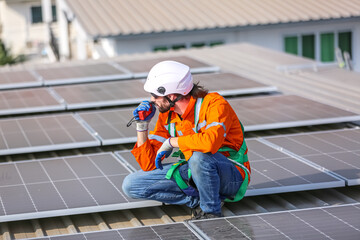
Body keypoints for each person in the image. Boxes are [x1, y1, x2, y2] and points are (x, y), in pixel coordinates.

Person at [122, 60, 251, 219]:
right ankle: (198, 200)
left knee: (199, 157)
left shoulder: (214, 104)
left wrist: (172, 142)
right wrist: (142, 125)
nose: (152, 100)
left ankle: (210, 212)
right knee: (131, 185)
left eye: (155, 95)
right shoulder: (167, 116)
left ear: (172, 95)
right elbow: (148, 164)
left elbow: (210, 144)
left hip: (231, 175)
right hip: (194, 170)